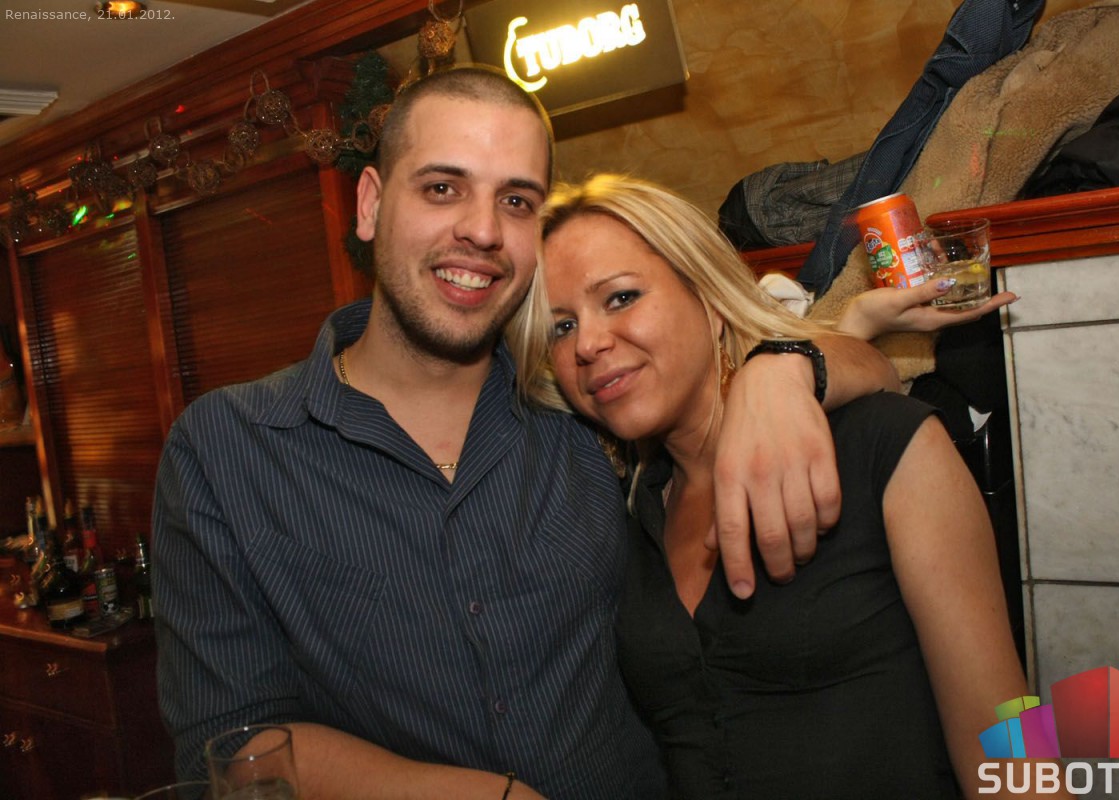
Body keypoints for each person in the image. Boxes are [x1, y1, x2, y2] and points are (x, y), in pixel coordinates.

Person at [152, 66, 901, 800]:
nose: (482, 230)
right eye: (442, 188)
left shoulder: (584, 409)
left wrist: (785, 367)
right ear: (371, 204)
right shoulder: (228, 447)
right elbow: (233, 740)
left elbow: (826, 366)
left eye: (515, 201)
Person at [515, 174, 1053, 798]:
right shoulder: (626, 511)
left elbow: (1008, 739)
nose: (588, 344)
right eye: (560, 328)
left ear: (710, 300)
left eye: (621, 297)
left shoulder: (884, 446)